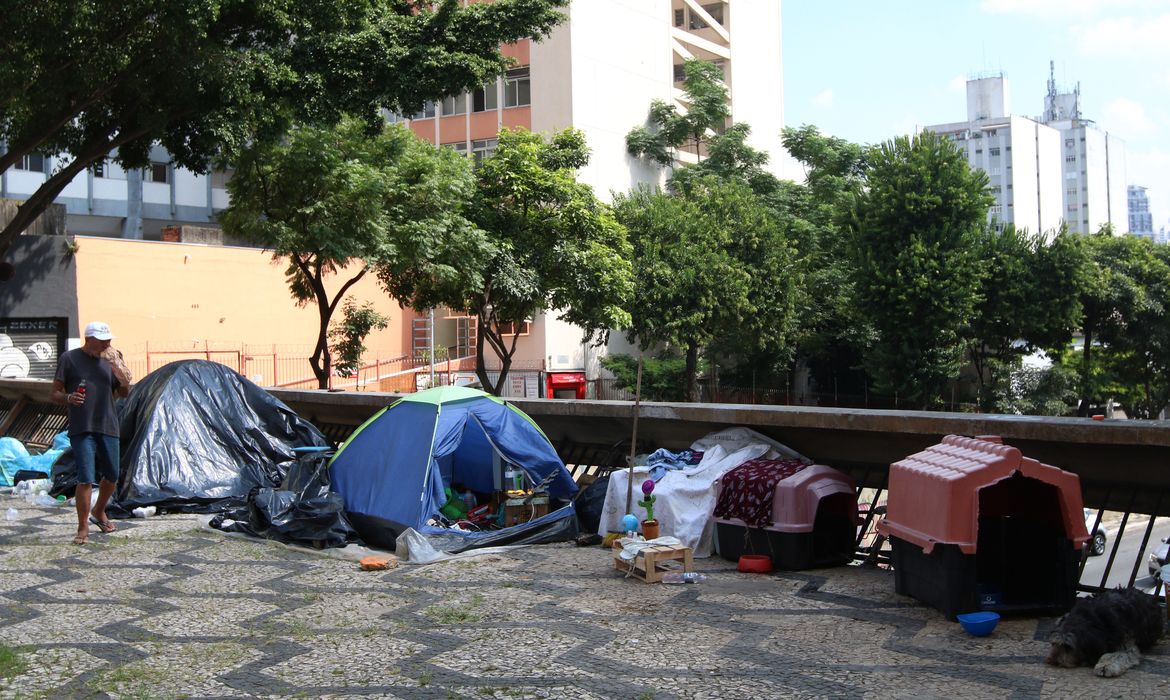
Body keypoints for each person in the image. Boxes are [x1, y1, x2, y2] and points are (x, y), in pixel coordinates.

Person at [51, 321, 131, 545]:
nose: (107, 343)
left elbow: (124, 392)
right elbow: (55, 392)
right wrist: (68, 397)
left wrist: (118, 369)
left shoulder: (113, 357)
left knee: (112, 474)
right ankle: (83, 526)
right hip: (82, 425)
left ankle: (99, 510)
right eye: (102, 339)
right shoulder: (69, 359)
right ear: (89, 339)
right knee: (85, 477)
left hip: (108, 424)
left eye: (109, 339)